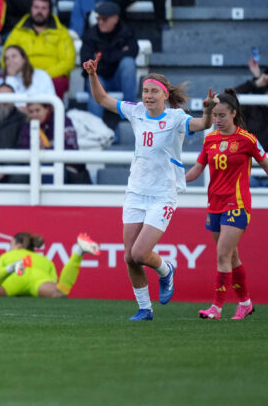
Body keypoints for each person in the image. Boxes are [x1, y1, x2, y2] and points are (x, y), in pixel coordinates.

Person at [84, 56, 215, 320]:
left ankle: (166, 270)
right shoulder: (135, 112)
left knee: (140, 253)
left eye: (154, 91)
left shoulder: (177, 118)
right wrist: (92, 75)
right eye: (145, 90)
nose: (148, 95)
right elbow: (102, 100)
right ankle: (145, 308)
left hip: (162, 194)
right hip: (136, 191)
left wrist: (209, 110)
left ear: (165, 95)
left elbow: (204, 125)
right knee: (130, 257)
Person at [185, 90, 268, 320]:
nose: (217, 120)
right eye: (214, 115)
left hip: (237, 204)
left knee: (222, 254)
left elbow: (266, 164)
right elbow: (197, 169)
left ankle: (216, 308)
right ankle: (246, 303)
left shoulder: (247, 139)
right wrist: (177, 180)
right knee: (231, 257)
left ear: (233, 113)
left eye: (222, 115)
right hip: (214, 204)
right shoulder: (210, 139)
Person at [0, 231, 101, 298]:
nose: (9, 247)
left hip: (14, 278)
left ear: (18, 246)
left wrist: (7, 271)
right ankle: (79, 251)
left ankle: (11, 268)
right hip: (37, 280)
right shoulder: (46, 261)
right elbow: (54, 280)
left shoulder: (7, 256)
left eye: (10, 245)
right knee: (59, 293)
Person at [3, 0, 75, 99]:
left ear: (50, 10)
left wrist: (43, 75)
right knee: (2, 81)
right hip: (22, 74)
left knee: (59, 82)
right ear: (30, 9)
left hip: (51, 76)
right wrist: (23, 72)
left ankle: (53, 115)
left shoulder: (61, 32)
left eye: (44, 8)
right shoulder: (18, 31)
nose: (39, 12)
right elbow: (5, 56)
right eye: (36, 7)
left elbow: (68, 61)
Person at [79, 1, 139, 123]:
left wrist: (103, 58)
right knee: (94, 79)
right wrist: (118, 54)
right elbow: (86, 64)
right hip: (98, 77)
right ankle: (95, 130)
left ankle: (130, 118)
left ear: (115, 19)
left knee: (128, 64)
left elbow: (132, 52)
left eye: (104, 19)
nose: (100, 22)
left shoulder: (127, 32)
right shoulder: (90, 34)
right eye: (98, 18)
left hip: (117, 79)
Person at [0, 44, 55, 110]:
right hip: (15, 118)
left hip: (38, 114)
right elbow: (7, 105)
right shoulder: (2, 81)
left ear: (24, 59)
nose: (10, 61)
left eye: (14, 56)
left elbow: (50, 99)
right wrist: (11, 78)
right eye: (7, 58)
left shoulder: (41, 75)